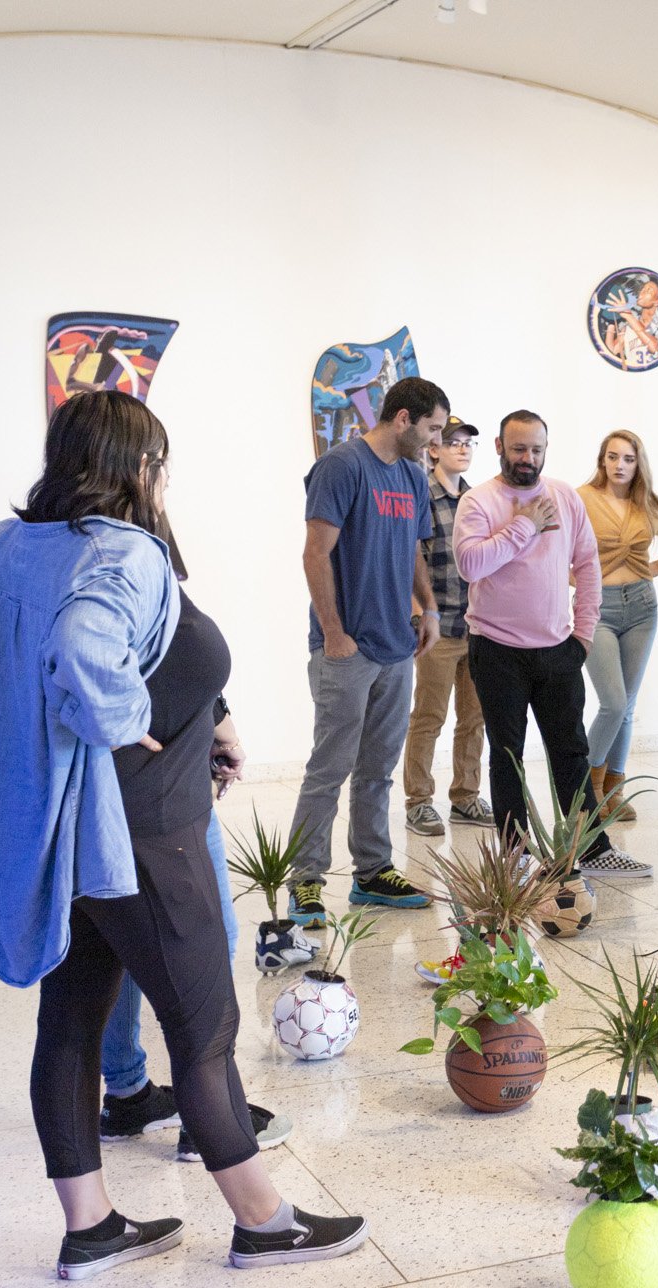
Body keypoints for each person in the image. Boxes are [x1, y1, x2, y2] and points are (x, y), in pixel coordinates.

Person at [0, 391, 366, 1279]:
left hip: (63, 831)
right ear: (141, 468)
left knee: (70, 1021)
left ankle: (93, 1229)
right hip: (143, 833)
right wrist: (113, 715)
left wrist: (177, 717)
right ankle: (265, 1222)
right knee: (203, 1024)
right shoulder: (125, 551)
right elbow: (84, 644)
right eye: (161, 464)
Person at [97, 529, 302, 1162]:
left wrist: (218, 719)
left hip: (138, 776)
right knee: (208, 944)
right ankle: (207, 1114)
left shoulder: (61, 542)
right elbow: (147, 653)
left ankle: (129, 1092)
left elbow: (170, 650)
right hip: (160, 783)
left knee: (120, 945)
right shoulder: (125, 543)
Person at [453, 410, 648, 876]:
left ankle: (593, 849)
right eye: (519, 449)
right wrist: (524, 526)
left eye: (537, 450)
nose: (528, 458)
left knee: (571, 751)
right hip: (496, 649)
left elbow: (588, 566)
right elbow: (471, 565)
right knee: (507, 755)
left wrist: (582, 635)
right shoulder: (478, 502)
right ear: (500, 447)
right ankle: (515, 855)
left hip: (558, 648)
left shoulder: (564, 496)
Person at [287, 377, 445, 928]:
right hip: (347, 649)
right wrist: (333, 632)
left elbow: (414, 549)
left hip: (396, 646)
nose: (435, 441)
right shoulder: (342, 466)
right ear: (402, 418)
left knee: (378, 768)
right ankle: (304, 881)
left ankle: (372, 872)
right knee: (328, 768)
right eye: (432, 429)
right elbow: (315, 553)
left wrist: (427, 607)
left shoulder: (412, 475)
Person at [577, 429, 658, 820]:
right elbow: (554, 545)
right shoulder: (583, 499)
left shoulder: (646, 504)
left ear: (638, 463)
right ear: (602, 460)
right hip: (598, 610)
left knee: (627, 706)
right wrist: (576, 578)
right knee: (613, 702)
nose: (619, 465)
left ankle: (613, 790)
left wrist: (657, 567)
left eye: (627, 458)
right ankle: (585, 788)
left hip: (642, 607)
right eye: (612, 457)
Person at [402, 416, 494, 838]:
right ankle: (419, 802)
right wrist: (420, 614)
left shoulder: (478, 501)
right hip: (438, 628)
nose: (463, 449)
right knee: (428, 716)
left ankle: (466, 796)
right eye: (453, 442)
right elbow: (410, 560)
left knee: (473, 718)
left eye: (469, 443)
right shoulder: (421, 493)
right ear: (434, 449)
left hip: (478, 628)